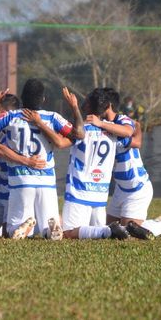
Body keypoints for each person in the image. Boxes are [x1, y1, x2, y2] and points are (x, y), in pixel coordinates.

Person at [0, 79, 84, 240]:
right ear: (44, 99)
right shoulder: (52, 117)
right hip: (46, 179)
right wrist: (74, 107)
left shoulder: (11, 116)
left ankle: (24, 226)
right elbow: (79, 134)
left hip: (21, 179)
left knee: (12, 231)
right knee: (48, 227)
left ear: (22, 98)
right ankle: (51, 228)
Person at [25, 88, 132, 240]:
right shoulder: (114, 130)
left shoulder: (80, 131)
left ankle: (108, 230)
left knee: (68, 234)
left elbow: (60, 143)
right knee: (93, 236)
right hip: (100, 194)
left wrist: (40, 123)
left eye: (86, 98)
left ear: (88, 106)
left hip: (79, 193)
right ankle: (109, 230)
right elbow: (130, 136)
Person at [104, 89, 161, 240]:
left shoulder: (123, 122)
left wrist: (138, 128)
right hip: (121, 188)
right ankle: (157, 222)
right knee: (109, 231)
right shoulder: (104, 126)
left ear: (107, 105)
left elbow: (136, 138)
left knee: (129, 234)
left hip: (137, 188)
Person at [0, 94, 47, 238]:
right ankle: (32, 225)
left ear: (3, 113)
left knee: (8, 236)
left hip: (12, 193)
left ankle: (33, 227)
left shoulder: (11, 134)